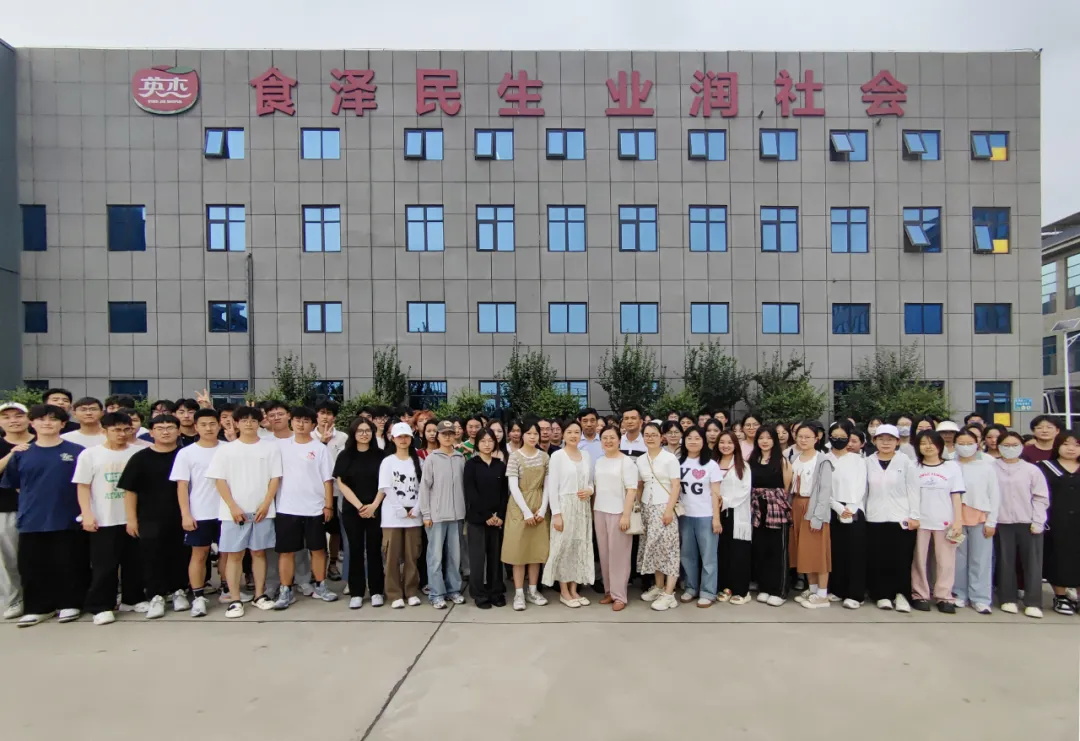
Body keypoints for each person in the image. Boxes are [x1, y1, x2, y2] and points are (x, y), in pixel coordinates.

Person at [4, 404, 86, 626]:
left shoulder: (77, 451)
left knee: (69, 562)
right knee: (33, 566)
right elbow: (16, 484)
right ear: (32, 423)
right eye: (41, 419)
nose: (47, 423)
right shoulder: (22, 453)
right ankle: (38, 608)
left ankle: (70, 604)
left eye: (53, 419)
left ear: (62, 424)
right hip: (32, 519)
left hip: (67, 517)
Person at [206, 406, 283, 618]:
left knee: (258, 553)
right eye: (244, 420)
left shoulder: (270, 448)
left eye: (253, 420)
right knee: (234, 555)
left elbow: (275, 478)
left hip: (262, 511)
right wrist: (232, 506)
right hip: (233, 513)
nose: (249, 423)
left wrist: (266, 504)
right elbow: (219, 480)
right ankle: (235, 599)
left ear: (259, 423)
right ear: (236, 423)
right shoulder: (226, 450)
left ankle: (259, 595)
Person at [73, 411, 142, 626]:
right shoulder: (90, 455)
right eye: (116, 430)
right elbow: (83, 486)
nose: (122, 434)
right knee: (105, 565)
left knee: (134, 561)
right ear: (104, 431)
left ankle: (132, 599)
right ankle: (101, 606)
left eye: (126, 429)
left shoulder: (138, 453)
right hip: (104, 518)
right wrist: (87, 514)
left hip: (132, 517)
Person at [119, 413, 189, 619]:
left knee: (180, 554)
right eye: (160, 428)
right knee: (152, 556)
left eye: (170, 427)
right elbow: (130, 491)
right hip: (150, 516)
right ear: (151, 432)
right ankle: (156, 596)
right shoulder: (140, 458)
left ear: (178, 431)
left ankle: (179, 591)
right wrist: (131, 519)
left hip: (182, 515)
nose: (165, 432)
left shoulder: (185, 455)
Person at [271, 407, 337, 610]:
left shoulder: (320, 448)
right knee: (286, 552)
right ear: (291, 421)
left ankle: (321, 585)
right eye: (298, 420)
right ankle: (286, 590)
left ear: (313, 424)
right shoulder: (280, 446)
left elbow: (327, 479)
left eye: (306, 421)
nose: (301, 424)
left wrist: (328, 505)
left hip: (315, 508)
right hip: (287, 508)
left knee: (318, 549)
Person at [171, 408, 224, 617]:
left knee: (228, 553)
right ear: (196, 427)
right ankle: (198, 595)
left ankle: (227, 589)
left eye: (212, 424)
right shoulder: (186, 453)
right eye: (203, 424)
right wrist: (186, 514)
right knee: (199, 554)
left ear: (219, 425)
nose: (208, 428)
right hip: (200, 512)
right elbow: (182, 486)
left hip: (226, 512)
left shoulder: (229, 449)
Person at [994, 430, 1049, 618]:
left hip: (1028, 521)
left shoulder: (1031, 470)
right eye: (1006, 445)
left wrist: (1038, 520)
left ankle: (1033, 602)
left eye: (1014, 445)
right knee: (1005, 561)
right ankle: (1007, 598)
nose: (1010, 449)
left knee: (1032, 563)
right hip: (1001, 522)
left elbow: (1040, 497)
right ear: (999, 447)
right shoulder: (991, 468)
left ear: (1022, 446)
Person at [864, 424, 919, 612]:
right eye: (881, 439)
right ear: (874, 441)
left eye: (890, 439)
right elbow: (864, 491)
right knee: (878, 558)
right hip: (875, 518)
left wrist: (914, 515)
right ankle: (882, 595)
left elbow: (914, 490)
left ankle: (901, 595)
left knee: (901, 558)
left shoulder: (906, 462)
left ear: (897, 441)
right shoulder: (867, 462)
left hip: (901, 518)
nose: (885, 443)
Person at [911, 430, 965, 614]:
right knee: (919, 560)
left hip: (945, 521)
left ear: (939, 445)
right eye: (923, 443)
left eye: (931, 442)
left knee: (945, 562)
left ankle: (944, 596)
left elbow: (956, 496)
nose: (928, 446)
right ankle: (920, 594)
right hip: (920, 521)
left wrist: (958, 521)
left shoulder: (952, 467)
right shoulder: (914, 467)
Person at [335, 419, 387, 609]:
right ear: (353, 433)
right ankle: (356, 592)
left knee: (374, 550)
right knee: (355, 550)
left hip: (376, 509)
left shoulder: (381, 456)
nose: (364, 434)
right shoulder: (345, 455)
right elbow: (341, 483)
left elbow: (385, 483)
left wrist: (373, 506)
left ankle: (376, 591)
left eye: (367, 431)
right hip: (352, 510)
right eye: (360, 431)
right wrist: (359, 506)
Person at [543, 421, 595, 607]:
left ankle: (574, 589)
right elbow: (552, 487)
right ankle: (564, 591)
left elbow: (591, 482)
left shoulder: (586, 455)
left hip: (582, 507)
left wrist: (590, 490)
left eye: (577, 432)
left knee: (579, 546)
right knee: (563, 548)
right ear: (563, 435)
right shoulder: (557, 456)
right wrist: (556, 514)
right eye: (570, 432)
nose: (574, 435)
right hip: (565, 506)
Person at [502, 419, 550, 611]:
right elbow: (513, 486)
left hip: (539, 504)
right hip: (519, 507)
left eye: (535, 433)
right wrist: (526, 512)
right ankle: (519, 593)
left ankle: (533, 591)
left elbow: (548, 485)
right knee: (519, 553)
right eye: (529, 433)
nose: (532, 437)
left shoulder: (544, 456)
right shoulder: (514, 457)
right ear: (522, 435)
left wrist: (543, 508)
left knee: (535, 552)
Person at [419, 420, 467, 609]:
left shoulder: (460, 458)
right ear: (437, 436)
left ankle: (453, 589)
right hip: (437, 516)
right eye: (444, 433)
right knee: (435, 557)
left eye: (450, 433)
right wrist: (426, 514)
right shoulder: (431, 458)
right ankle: (436, 593)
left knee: (455, 557)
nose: (447, 437)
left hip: (457, 516)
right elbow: (424, 488)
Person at [953, 428, 1000, 615]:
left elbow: (994, 495)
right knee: (958, 559)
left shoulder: (987, 467)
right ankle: (959, 593)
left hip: (980, 517)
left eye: (969, 443)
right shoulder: (950, 465)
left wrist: (991, 521)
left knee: (980, 559)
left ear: (978, 444)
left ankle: (980, 598)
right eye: (961, 443)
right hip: (955, 518)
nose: (965, 447)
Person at [378, 423, 425, 609]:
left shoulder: (418, 461)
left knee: (412, 555)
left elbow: (424, 486)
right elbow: (386, 486)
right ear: (393, 439)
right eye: (399, 437)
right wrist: (398, 508)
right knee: (392, 556)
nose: (403, 440)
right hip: (392, 516)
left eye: (406, 436)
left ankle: (411, 591)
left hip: (414, 515)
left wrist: (417, 507)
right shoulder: (388, 461)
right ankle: (394, 593)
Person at [637, 421, 681, 611]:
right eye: (647, 435)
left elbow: (676, 485)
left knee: (669, 549)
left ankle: (669, 594)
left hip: (664, 506)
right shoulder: (641, 460)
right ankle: (659, 586)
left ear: (661, 437)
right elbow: (640, 485)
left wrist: (669, 510)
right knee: (654, 547)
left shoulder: (669, 459)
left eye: (654, 434)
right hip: (647, 506)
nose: (650, 438)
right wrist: (638, 507)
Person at [593, 426, 638, 612]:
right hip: (600, 510)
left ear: (619, 440)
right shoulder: (599, 461)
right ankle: (609, 591)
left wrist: (626, 515)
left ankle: (620, 595)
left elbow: (632, 490)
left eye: (612, 437)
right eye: (605, 438)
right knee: (604, 554)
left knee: (619, 556)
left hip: (619, 512)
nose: (608, 441)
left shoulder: (626, 462)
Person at [790, 423, 834, 609]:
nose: (803, 440)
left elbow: (825, 491)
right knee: (805, 551)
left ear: (817, 438)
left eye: (807, 437)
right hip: (797, 505)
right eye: (800, 436)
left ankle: (822, 594)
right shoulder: (794, 458)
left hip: (813, 507)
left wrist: (818, 516)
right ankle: (813, 589)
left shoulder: (822, 460)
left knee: (818, 552)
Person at [677, 427, 722, 607]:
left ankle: (708, 591)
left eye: (697, 438)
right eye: (689, 438)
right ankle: (691, 588)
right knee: (687, 555)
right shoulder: (678, 463)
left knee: (708, 556)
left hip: (706, 515)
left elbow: (716, 494)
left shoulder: (711, 465)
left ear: (703, 441)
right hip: (684, 515)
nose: (693, 441)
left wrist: (716, 518)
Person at [463, 429, 508, 609]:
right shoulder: (471, 465)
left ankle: (495, 591)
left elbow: (504, 493)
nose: (487, 444)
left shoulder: (500, 465)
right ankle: (479, 594)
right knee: (477, 558)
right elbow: (471, 493)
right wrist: (487, 515)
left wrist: (500, 515)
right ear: (477, 444)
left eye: (490, 441)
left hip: (497, 520)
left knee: (495, 558)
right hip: (477, 519)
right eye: (483, 441)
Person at [827, 421, 869, 609]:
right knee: (836, 551)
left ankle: (855, 594)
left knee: (855, 553)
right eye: (835, 436)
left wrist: (849, 509)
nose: (839, 440)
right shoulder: (824, 459)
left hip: (853, 509)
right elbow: (822, 487)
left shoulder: (858, 460)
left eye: (843, 437)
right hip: (831, 508)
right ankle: (837, 589)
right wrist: (836, 507)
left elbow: (861, 487)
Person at [749, 426, 792, 607]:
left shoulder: (782, 461)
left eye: (768, 438)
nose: (764, 441)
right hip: (757, 509)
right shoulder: (752, 460)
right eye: (761, 438)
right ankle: (765, 587)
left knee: (778, 551)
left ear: (774, 440)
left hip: (776, 509)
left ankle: (779, 590)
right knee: (761, 549)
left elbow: (786, 488)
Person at [1039, 432, 1080, 615]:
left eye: (1077, 445)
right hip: (1055, 521)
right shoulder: (1044, 468)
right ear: (1057, 446)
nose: (1071, 449)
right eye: (1066, 444)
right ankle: (1061, 596)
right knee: (1058, 557)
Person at [0, 402, 33, 620]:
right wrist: (12, 453)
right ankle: (14, 600)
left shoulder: (42, 441)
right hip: (6, 508)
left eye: (19, 415)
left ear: (29, 418)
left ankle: (44, 598)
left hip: (40, 510)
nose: (13, 420)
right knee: (8, 559)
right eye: (7, 417)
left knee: (41, 557)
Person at [715, 430, 753, 604]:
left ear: (736, 445)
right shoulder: (712, 463)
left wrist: (725, 501)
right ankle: (726, 587)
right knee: (722, 552)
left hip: (736, 513)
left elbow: (745, 491)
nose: (725, 446)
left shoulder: (743, 466)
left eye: (729, 442)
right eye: (722, 442)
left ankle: (741, 590)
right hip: (716, 513)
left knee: (738, 552)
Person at [314, 400, 348, 583]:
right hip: (314, 493)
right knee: (315, 533)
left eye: (329, 413)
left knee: (335, 531)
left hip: (336, 492)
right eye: (322, 412)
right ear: (316, 415)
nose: (325, 417)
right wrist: (322, 442)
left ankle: (333, 564)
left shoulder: (343, 438)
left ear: (334, 417)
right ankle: (315, 567)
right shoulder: (308, 436)